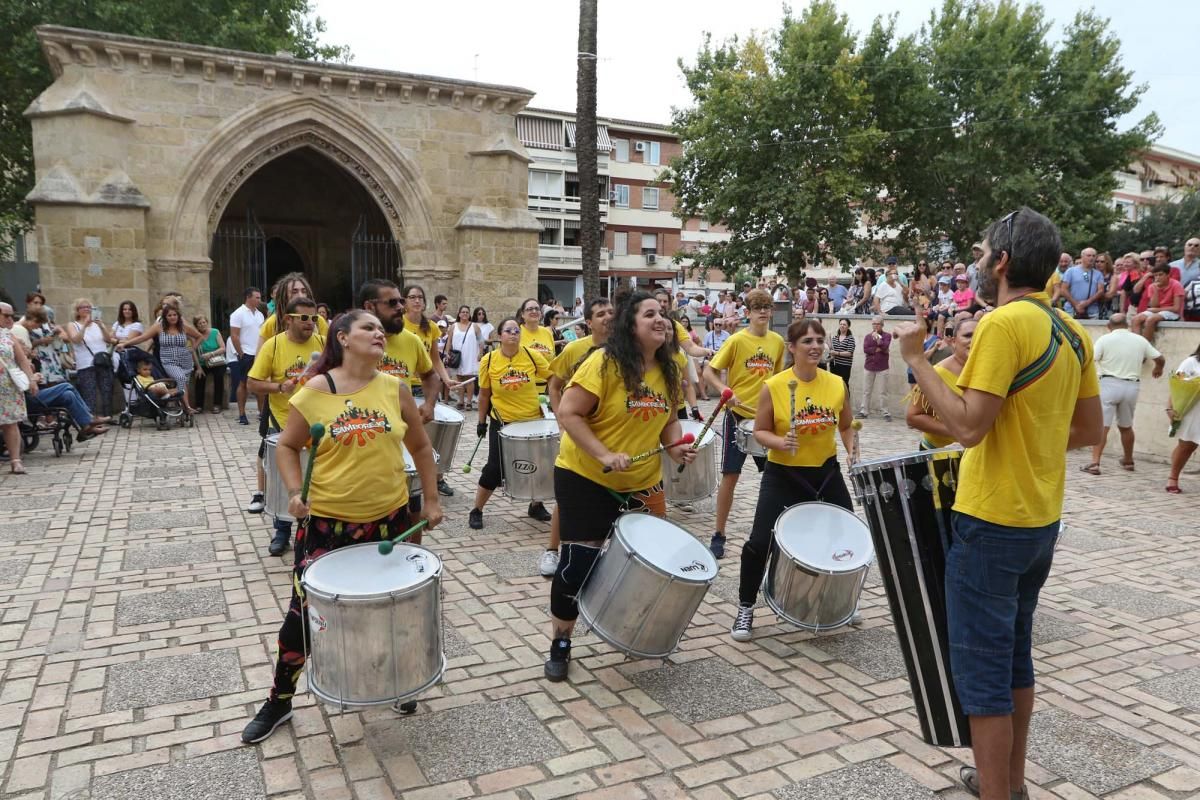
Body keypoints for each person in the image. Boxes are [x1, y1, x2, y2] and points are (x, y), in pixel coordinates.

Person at [894, 207, 1102, 800]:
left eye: (984, 253)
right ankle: (1010, 787)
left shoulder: (1002, 323)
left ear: (1005, 261)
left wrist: (915, 359)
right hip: (1039, 523)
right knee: (1014, 662)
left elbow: (966, 427)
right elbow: (1087, 431)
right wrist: (1028, 434)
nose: (979, 262)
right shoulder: (1071, 329)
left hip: (990, 522)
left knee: (982, 677)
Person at [240, 310, 443, 743]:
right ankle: (279, 701)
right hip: (327, 526)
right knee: (303, 618)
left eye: (379, 329)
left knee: (390, 612)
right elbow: (288, 446)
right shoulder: (314, 391)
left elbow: (422, 447)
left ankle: (397, 682)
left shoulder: (394, 388)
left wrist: (431, 498)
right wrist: (295, 491)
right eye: (367, 327)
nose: (378, 334)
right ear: (343, 338)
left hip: (387, 522)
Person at [544, 291, 695, 681]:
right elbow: (568, 412)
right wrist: (604, 454)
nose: (660, 320)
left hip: (643, 481)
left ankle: (637, 630)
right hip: (586, 476)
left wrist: (675, 448)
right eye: (650, 315)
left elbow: (668, 420)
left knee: (654, 562)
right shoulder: (604, 363)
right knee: (578, 563)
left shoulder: (670, 368)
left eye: (662, 314)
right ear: (630, 325)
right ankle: (561, 640)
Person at [731, 318, 856, 641]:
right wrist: (779, 442)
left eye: (819, 340)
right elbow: (759, 430)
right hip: (783, 475)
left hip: (825, 473)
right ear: (792, 347)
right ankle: (746, 607)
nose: (815, 346)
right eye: (807, 341)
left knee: (847, 539)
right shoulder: (774, 386)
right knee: (760, 541)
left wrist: (852, 450)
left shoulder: (836, 384)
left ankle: (843, 602)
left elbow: (845, 424)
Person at [702, 289, 785, 559]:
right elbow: (709, 371)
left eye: (767, 307)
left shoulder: (777, 342)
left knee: (776, 477)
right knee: (730, 476)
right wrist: (726, 391)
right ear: (747, 313)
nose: (763, 312)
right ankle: (719, 533)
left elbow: (780, 378)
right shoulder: (736, 341)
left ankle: (778, 532)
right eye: (757, 307)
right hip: (737, 418)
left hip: (765, 420)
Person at [245, 297, 326, 556]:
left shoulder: (323, 344)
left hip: (317, 424)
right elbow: (252, 383)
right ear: (289, 319)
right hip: (282, 422)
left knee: (315, 478)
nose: (310, 324)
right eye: (304, 318)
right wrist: (279, 387)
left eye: (314, 319)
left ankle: (313, 528)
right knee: (283, 481)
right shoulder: (274, 345)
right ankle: (281, 531)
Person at [539, 298, 614, 576]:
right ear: (588, 323)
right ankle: (552, 549)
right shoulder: (574, 349)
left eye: (611, 312)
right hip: (577, 434)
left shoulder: (626, 352)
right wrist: (561, 417)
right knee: (568, 495)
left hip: (610, 437)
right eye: (600, 314)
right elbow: (554, 385)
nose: (607, 317)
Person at [468, 316, 553, 530]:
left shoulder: (532, 357)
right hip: (502, 422)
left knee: (538, 465)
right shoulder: (489, 360)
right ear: (499, 336)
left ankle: (536, 504)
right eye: (508, 331)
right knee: (494, 469)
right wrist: (481, 422)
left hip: (533, 422)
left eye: (516, 331)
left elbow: (554, 376)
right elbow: (485, 395)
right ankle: (477, 509)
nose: (513, 334)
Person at [1079, 313, 1164, 475]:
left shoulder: (1105, 339)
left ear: (1109, 326)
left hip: (1108, 385)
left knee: (1102, 426)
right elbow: (1160, 358)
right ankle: (1128, 461)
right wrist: (1158, 368)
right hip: (1131, 386)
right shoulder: (1140, 340)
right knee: (1126, 426)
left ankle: (1095, 463)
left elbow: (1091, 360)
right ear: (1127, 325)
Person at [402, 285, 457, 496]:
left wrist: (445, 379)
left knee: (431, 434)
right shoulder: (400, 325)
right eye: (412, 297)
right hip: (405, 387)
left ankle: (437, 477)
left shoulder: (430, 327)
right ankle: (408, 474)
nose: (417, 301)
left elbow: (434, 358)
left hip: (426, 388)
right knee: (407, 434)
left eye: (420, 297)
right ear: (405, 301)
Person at [116, 304, 202, 415]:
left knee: (184, 383)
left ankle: (181, 408)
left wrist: (192, 349)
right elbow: (143, 337)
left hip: (185, 359)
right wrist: (126, 343)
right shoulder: (159, 326)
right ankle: (187, 407)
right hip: (169, 361)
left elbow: (199, 336)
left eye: (175, 315)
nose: (172, 317)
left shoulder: (183, 327)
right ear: (165, 316)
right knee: (180, 378)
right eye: (169, 315)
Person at [906, 319, 976, 449]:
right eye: (968, 335)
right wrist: (959, 433)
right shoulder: (936, 373)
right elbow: (913, 417)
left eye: (979, 335)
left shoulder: (989, 372)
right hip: (938, 454)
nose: (974, 340)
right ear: (954, 341)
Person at [65, 298, 118, 419]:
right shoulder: (73, 325)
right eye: (83, 307)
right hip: (85, 364)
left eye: (89, 307)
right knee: (89, 392)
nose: (87, 309)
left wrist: (102, 326)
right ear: (77, 311)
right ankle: (90, 418)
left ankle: (108, 416)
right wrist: (84, 326)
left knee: (106, 390)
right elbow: (75, 340)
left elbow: (108, 340)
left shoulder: (98, 324)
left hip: (102, 362)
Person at [0, 313, 37, 474]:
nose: (10, 319)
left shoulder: (8, 336)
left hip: (8, 386)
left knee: (11, 423)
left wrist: (31, 380)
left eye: (12, 315)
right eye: (6, 315)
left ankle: (16, 461)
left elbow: (22, 360)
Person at [1166, 341, 1200, 493]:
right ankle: (1173, 478)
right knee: (1187, 445)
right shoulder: (1191, 362)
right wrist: (1170, 407)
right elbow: (1176, 384)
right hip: (1193, 411)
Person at [228, 287, 264, 425]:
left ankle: (261, 412)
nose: (259, 300)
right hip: (246, 353)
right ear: (248, 297)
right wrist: (241, 354)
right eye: (257, 297)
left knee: (260, 383)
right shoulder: (238, 314)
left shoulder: (260, 314)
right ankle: (242, 414)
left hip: (259, 353)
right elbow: (234, 336)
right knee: (243, 384)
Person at [258, 273, 329, 340]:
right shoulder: (272, 323)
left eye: (304, 291)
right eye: (294, 292)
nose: (300, 296)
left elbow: (328, 350)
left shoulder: (318, 321)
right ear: (285, 296)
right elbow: (262, 352)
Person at [1130, 264, 1184, 342]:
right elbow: (1154, 305)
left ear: (1168, 275)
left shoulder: (1176, 285)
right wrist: (1155, 290)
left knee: (1151, 319)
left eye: (1160, 275)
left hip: (1173, 313)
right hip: (1158, 311)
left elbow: (1176, 308)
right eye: (1155, 276)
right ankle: (1137, 344)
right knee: (1135, 319)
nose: (1157, 277)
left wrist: (1155, 310)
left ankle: (1146, 346)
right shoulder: (1152, 286)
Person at [448, 305, 485, 409]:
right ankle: (460, 401)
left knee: (469, 379)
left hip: (471, 355)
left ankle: (468, 402)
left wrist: (480, 353)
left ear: (469, 315)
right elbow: (449, 341)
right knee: (459, 378)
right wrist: (447, 353)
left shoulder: (474, 326)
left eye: (467, 312)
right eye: (463, 312)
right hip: (457, 356)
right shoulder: (453, 326)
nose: (464, 314)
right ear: (459, 314)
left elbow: (481, 341)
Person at [857, 316, 892, 420]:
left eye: (877, 324)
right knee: (866, 390)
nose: (875, 326)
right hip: (869, 366)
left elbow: (885, 347)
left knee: (883, 391)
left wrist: (878, 339)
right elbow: (866, 349)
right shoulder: (868, 337)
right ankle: (864, 411)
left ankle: (885, 412)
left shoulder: (887, 335)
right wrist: (877, 349)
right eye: (873, 324)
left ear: (882, 325)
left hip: (882, 367)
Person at [192, 314, 227, 414]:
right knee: (199, 378)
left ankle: (217, 404)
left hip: (216, 361)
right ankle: (199, 406)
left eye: (204, 322)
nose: (202, 325)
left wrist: (211, 354)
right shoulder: (195, 335)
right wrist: (198, 367)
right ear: (196, 326)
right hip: (203, 363)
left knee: (219, 376)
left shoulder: (215, 332)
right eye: (200, 323)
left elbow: (223, 348)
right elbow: (193, 351)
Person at [1059, 248, 1105, 319]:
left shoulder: (1098, 274)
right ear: (1082, 257)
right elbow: (1063, 289)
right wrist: (1076, 304)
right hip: (1071, 310)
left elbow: (1100, 291)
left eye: (1093, 256)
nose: (1091, 258)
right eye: (1088, 255)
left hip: (1092, 312)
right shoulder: (1070, 271)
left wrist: (1086, 303)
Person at [828, 318, 855, 389]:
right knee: (834, 386)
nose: (842, 326)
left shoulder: (850, 338)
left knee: (844, 386)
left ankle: (846, 400)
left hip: (845, 366)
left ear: (848, 326)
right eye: (841, 324)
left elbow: (849, 353)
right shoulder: (835, 338)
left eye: (844, 324)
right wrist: (828, 339)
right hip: (834, 365)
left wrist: (837, 353)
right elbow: (831, 350)